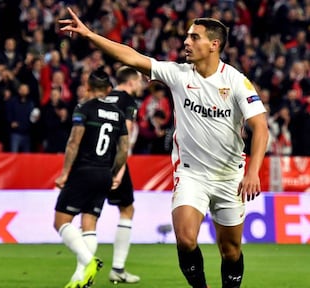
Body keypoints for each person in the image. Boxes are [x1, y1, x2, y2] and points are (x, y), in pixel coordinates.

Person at [60, 10, 269, 288]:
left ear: (214, 45)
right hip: (191, 175)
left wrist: (253, 172)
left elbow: (261, 127)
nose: (186, 42)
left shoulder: (235, 81)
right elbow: (130, 56)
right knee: (185, 239)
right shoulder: (178, 74)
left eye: (194, 37)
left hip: (230, 176)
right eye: (186, 36)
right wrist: (89, 35)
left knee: (230, 251)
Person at [53, 67, 129, 288]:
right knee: (89, 224)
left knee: (61, 221)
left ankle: (89, 262)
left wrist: (65, 172)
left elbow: (74, 142)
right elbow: (124, 149)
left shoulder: (84, 108)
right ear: (108, 89)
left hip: (83, 171)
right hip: (104, 173)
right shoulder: (119, 114)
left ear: (87, 87)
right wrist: (114, 172)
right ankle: (80, 278)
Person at [104, 66, 144, 284]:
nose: (140, 85)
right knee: (127, 209)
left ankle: (82, 269)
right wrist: (119, 170)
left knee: (90, 213)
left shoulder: (105, 97)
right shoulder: (128, 102)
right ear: (130, 82)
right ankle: (118, 268)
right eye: (138, 81)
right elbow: (124, 138)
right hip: (113, 159)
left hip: (93, 158)